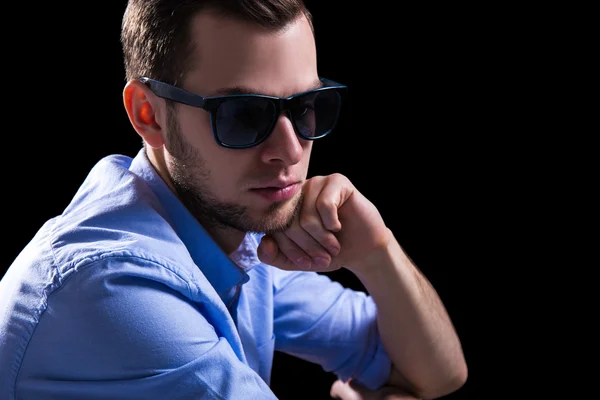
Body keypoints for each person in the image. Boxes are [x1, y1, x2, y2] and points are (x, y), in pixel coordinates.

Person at [0, 1, 468, 399]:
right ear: (150, 116)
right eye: (243, 115)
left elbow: (439, 372)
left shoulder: (237, 233)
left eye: (306, 107)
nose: (289, 151)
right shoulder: (111, 289)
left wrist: (377, 252)